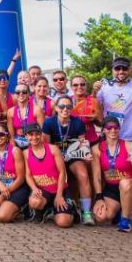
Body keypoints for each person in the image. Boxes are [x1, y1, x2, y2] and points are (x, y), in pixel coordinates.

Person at [42, 95, 94, 225]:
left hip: (72, 155)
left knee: (83, 174)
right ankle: (49, 207)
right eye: (62, 106)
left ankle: (86, 212)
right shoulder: (49, 122)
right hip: (55, 156)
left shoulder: (78, 122)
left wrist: (86, 154)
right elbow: (46, 146)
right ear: (56, 108)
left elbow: (82, 143)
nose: (65, 109)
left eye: (69, 106)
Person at [91, 116, 132, 232]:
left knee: (125, 183)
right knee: (101, 217)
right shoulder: (96, 149)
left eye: (116, 127)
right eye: (109, 127)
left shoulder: (130, 146)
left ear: (119, 129)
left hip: (131, 186)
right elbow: (97, 176)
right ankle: (118, 210)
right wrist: (99, 197)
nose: (113, 130)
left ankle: (125, 220)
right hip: (112, 188)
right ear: (104, 130)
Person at [23, 122, 74, 227]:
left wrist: (59, 195)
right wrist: (34, 188)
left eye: (37, 134)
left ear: (41, 134)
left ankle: (71, 210)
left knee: (64, 222)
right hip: (43, 191)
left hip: (59, 189)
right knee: (34, 202)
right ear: (26, 136)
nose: (34, 137)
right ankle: (44, 210)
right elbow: (28, 175)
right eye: (31, 134)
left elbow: (62, 172)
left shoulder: (52, 149)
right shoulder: (25, 153)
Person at [7, 83, 45, 149]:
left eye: (24, 92)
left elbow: (42, 131)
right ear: (15, 95)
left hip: (34, 142)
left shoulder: (37, 109)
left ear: (28, 94)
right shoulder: (11, 111)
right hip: (17, 142)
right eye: (18, 92)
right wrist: (13, 146)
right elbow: (11, 135)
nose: (21, 94)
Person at [70, 75, 102, 145]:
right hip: (72, 143)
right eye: (75, 85)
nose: (79, 87)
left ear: (86, 86)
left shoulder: (94, 101)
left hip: (91, 141)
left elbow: (101, 124)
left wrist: (94, 119)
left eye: (82, 84)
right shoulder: (67, 101)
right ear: (71, 87)